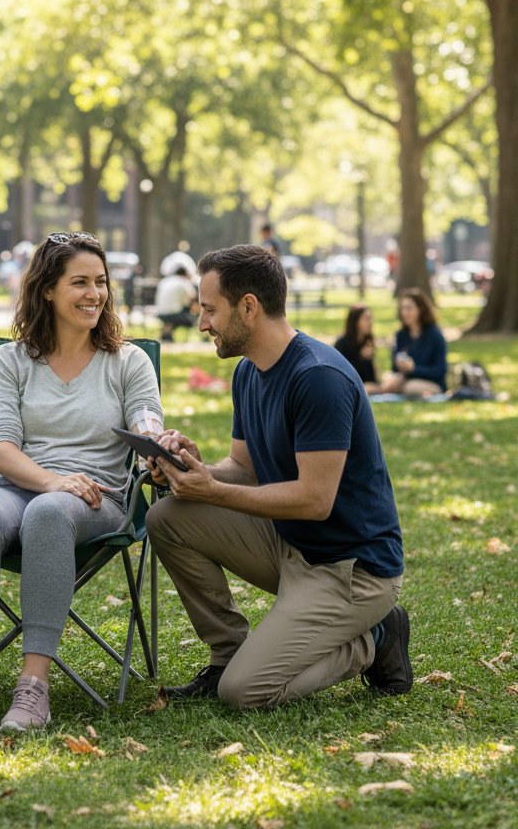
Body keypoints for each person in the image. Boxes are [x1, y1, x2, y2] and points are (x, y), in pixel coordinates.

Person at [145, 244, 410, 709]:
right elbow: (243, 469)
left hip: (352, 571)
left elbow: (315, 500)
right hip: (291, 548)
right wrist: (197, 470)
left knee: (246, 693)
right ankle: (227, 653)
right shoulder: (249, 373)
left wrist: (214, 491)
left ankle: (375, 636)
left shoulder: (318, 377)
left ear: (249, 306)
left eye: (210, 310)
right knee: (169, 517)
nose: (202, 323)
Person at [0, 232, 164, 733]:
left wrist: (159, 445)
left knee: (49, 511)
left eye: (101, 282)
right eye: (79, 282)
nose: (94, 294)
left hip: (96, 496)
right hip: (14, 485)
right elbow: (0, 448)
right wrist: (51, 480)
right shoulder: (9, 361)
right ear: (47, 290)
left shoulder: (128, 362)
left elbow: (149, 424)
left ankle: (33, 688)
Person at [382, 287, 447, 396]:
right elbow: (394, 369)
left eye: (409, 308)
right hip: (404, 379)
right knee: (387, 377)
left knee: (410, 387)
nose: (404, 313)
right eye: (402, 308)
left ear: (421, 309)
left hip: (432, 383)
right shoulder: (401, 335)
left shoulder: (435, 335)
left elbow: (439, 371)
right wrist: (400, 367)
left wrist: (414, 369)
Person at [333, 303, 381, 395]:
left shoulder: (367, 341)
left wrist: (368, 360)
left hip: (366, 386)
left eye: (370, 318)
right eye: (366, 319)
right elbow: (343, 374)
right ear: (355, 321)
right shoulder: (342, 344)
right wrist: (362, 358)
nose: (370, 323)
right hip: (347, 386)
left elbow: (371, 379)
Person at [154, 265, 198, 342]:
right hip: (175, 314)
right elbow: (191, 297)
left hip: (161, 313)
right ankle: (202, 333)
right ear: (185, 274)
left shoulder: (164, 281)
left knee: (171, 316)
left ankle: (167, 333)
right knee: (191, 312)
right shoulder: (183, 282)